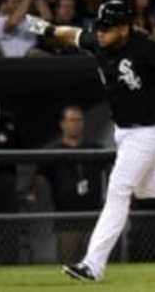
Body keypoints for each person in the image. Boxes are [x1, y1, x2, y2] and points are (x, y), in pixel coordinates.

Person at [24, 0, 155, 281]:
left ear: (124, 28)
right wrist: (45, 28)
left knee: (119, 190)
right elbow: (71, 34)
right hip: (124, 130)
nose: (100, 32)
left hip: (148, 129)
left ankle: (92, 265)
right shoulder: (98, 41)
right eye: (100, 27)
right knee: (145, 187)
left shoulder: (144, 47)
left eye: (107, 28)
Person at [33, 105, 104, 263]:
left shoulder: (95, 149)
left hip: (93, 216)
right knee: (68, 262)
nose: (76, 124)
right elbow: (39, 179)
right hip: (66, 219)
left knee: (95, 263)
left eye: (79, 120)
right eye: (71, 120)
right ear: (62, 124)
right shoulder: (51, 151)